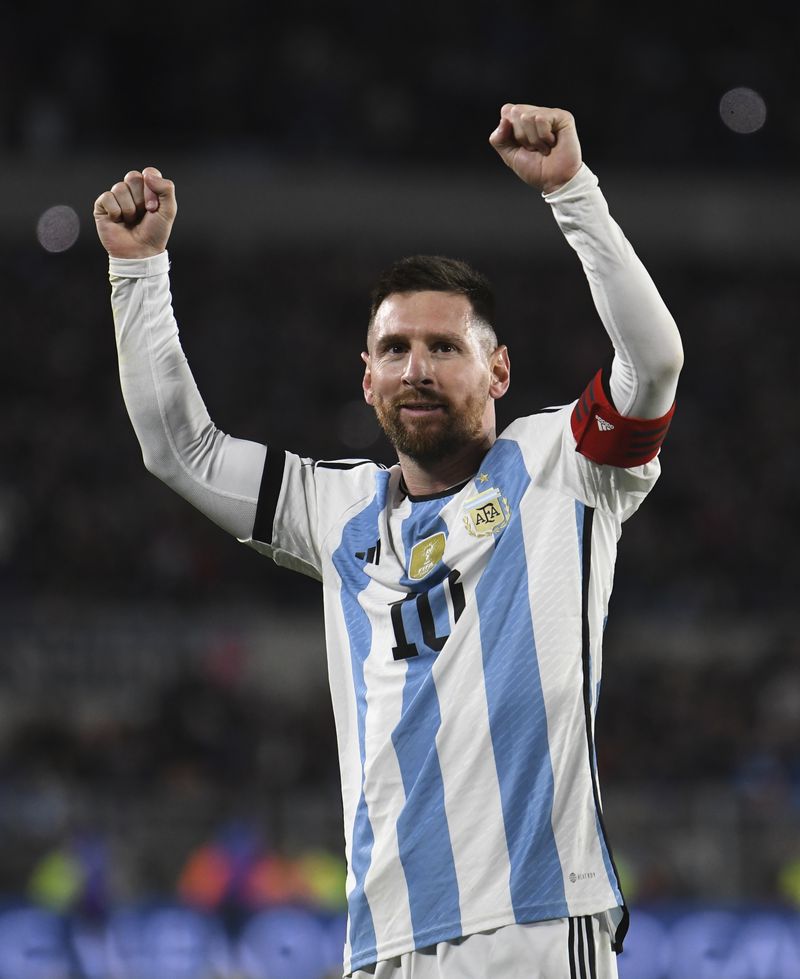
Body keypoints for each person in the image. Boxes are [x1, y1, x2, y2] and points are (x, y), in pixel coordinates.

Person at [94, 103, 683, 979]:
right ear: (366, 376)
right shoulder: (337, 512)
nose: (417, 367)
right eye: (396, 348)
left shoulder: (559, 466)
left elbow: (655, 362)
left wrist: (573, 193)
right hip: (382, 944)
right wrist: (138, 271)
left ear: (499, 369)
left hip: (532, 922)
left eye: (445, 347)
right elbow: (180, 449)